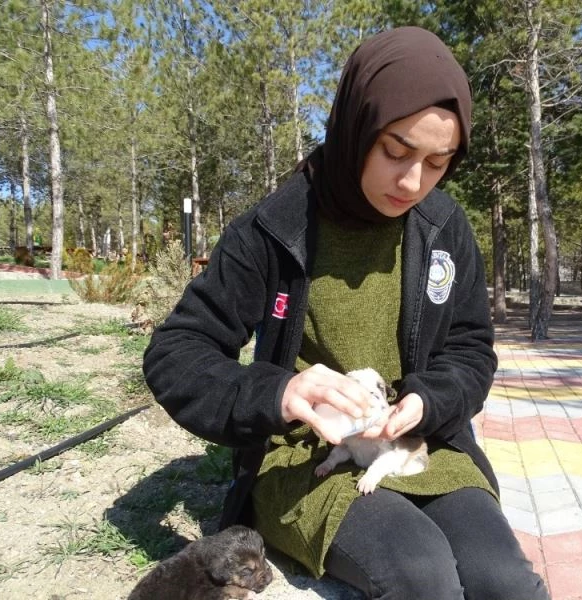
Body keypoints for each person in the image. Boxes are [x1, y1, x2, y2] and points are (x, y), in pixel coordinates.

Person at [143, 26, 550, 600]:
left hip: (417, 445)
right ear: (357, 125)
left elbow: (470, 349)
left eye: (438, 162)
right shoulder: (275, 228)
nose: (413, 182)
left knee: (505, 584)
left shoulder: (443, 229)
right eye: (396, 151)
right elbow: (176, 352)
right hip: (304, 458)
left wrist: (429, 400)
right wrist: (279, 395)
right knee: (422, 575)